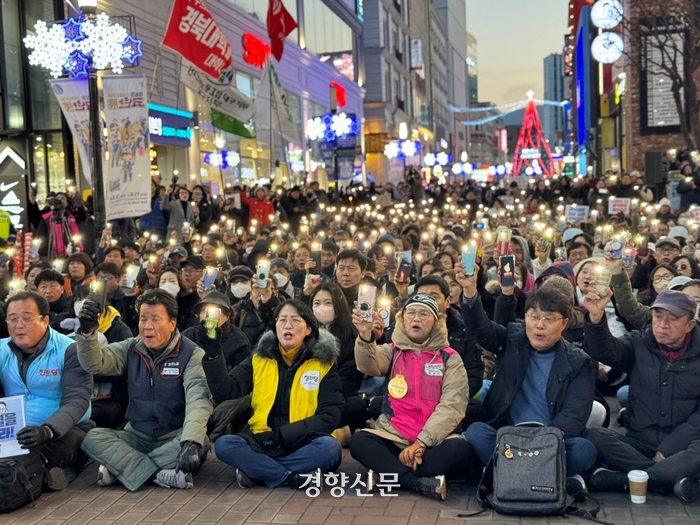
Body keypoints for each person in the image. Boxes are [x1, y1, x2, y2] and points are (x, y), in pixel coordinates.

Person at [457, 263, 597, 495]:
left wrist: (541, 445)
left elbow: (574, 415)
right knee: (476, 432)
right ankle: (553, 478)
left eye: (549, 319)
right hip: (508, 438)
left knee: (585, 449)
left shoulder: (578, 362)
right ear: (526, 317)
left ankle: (503, 474)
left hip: (551, 440)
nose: (539, 325)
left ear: (563, 324)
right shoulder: (513, 338)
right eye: (534, 317)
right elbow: (481, 330)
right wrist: (470, 292)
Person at [76, 289, 213, 491]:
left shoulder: (192, 354)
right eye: (143, 319)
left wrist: (191, 442)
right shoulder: (131, 348)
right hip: (137, 435)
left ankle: (123, 469)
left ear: (172, 323)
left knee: (199, 442)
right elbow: (95, 364)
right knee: (92, 438)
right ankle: (161, 475)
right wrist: (87, 333)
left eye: (156, 320)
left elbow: (198, 401)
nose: (147, 327)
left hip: (175, 434)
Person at [203, 300, 344, 488]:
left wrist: (281, 436)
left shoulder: (322, 364)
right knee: (224, 445)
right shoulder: (259, 359)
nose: (287, 325)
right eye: (282, 320)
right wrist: (213, 354)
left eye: (295, 320)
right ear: (275, 327)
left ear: (308, 329)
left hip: (303, 441)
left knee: (330, 449)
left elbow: (329, 416)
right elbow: (226, 389)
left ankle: (257, 471)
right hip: (262, 441)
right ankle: (290, 477)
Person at [349, 293, 470, 501]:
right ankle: (418, 483)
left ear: (436, 321)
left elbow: (452, 406)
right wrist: (365, 336)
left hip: (434, 441)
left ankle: (389, 474)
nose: (416, 319)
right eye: (411, 313)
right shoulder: (393, 352)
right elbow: (368, 365)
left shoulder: (449, 357)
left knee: (460, 449)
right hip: (394, 436)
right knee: (359, 441)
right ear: (402, 320)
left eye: (424, 314)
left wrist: (421, 443)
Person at [583, 289, 700, 503]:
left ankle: (625, 480)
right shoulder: (640, 341)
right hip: (640, 441)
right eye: (658, 316)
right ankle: (667, 479)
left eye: (672, 319)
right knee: (594, 436)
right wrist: (596, 318)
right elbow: (606, 352)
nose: (662, 324)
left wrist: (667, 449)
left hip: (684, 444)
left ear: (690, 325)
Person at [0, 292, 93, 490]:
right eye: (13, 319)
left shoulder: (69, 350)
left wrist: (48, 430)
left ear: (45, 320)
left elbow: (77, 399)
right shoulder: (2, 350)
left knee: (26, 458)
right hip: (14, 431)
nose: (19, 325)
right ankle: (47, 477)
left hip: (63, 430)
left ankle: (46, 476)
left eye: (27, 318)